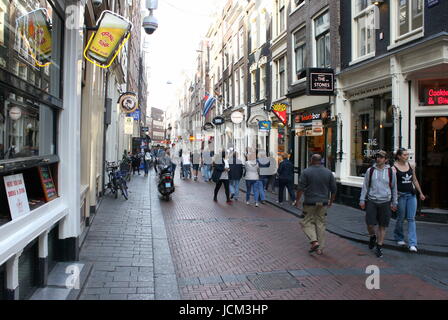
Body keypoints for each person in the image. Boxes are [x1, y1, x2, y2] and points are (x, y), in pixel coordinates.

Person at [296, 154, 337, 255]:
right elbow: (334, 189)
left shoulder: (306, 172)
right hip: (323, 202)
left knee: (305, 222)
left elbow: (300, 188)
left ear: (311, 160)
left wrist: (297, 200)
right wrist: (331, 202)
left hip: (310, 202)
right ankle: (320, 249)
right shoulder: (328, 173)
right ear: (321, 161)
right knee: (320, 223)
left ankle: (314, 241)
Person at [359, 150, 398, 258]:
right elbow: (365, 186)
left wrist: (395, 202)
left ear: (386, 159)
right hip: (372, 200)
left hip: (385, 201)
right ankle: (372, 236)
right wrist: (362, 199)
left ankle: (379, 246)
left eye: (381, 157)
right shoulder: (370, 170)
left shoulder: (391, 172)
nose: (378, 159)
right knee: (370, 223)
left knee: (382, 225)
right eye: (377, 157)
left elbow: (394, 187)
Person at [393, 148, 425, 253]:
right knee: (401, 218)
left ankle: (412, 243)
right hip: (400, 196)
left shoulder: (411, 166)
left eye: (407, 155)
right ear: (399, 156)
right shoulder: (394, 168)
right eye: (405, 155)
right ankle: (399, 237)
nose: (407, 156)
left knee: (411, 218)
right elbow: (392, 184)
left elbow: (414, 180)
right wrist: (394, 197)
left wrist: (420, 193)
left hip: (411, 195)